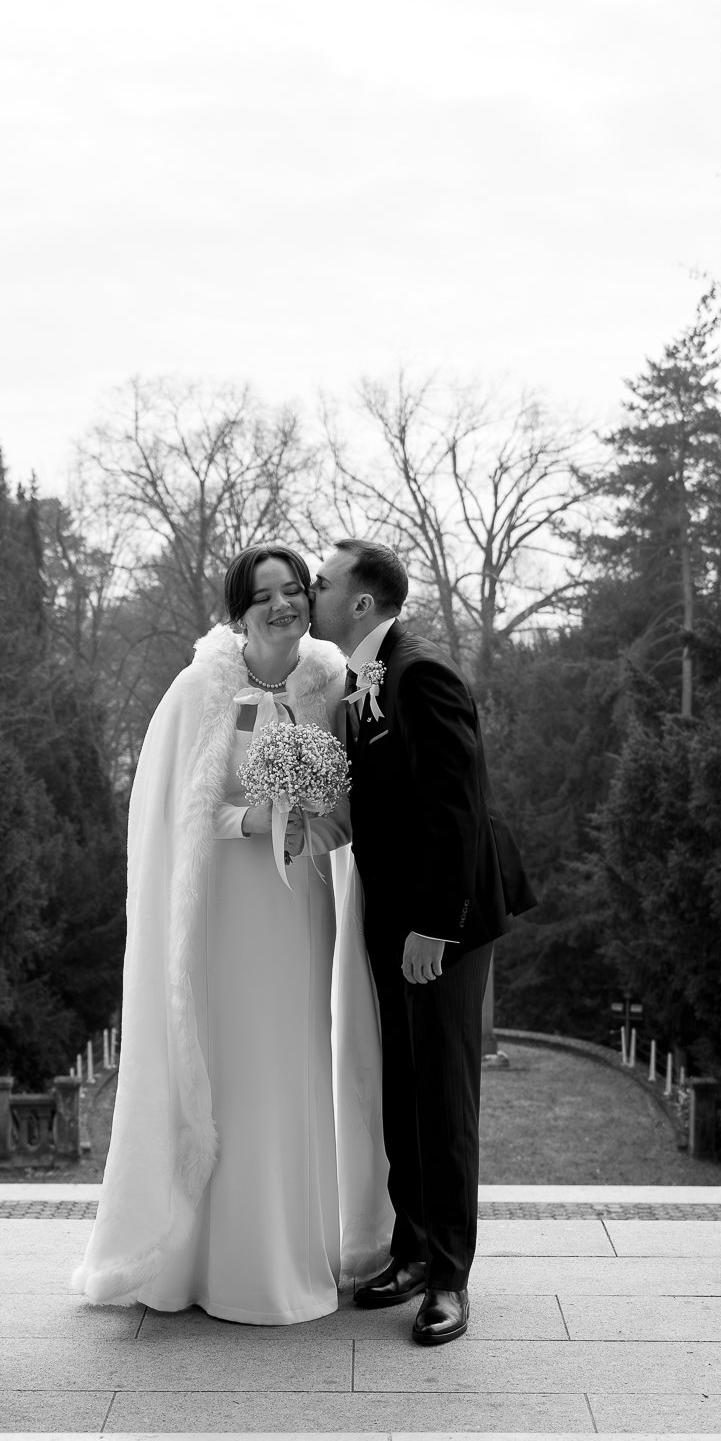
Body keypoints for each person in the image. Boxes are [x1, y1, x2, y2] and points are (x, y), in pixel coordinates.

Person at [72, 544, 391, 1324]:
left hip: (300, 911)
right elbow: (177, 811)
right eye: (264, 597)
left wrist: (309, 829)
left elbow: (352, 812)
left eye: (293, 591)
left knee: (293, 1067)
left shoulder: (333, 684)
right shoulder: (200, 690)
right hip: (226, 914)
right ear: (238, 612)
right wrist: (252, 818)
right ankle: (205, 1261)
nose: (283, 606)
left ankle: (288, 1254)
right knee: (234, 1068)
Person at [310, 539, 534, 1346]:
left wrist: (435, 926)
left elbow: (457, 806)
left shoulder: (418, 672)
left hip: (444, 921)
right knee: (403, 1085)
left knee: (442, 1096)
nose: (311, 590)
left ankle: (449, 1276)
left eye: (323, 582)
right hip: (391, 917)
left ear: (362, 603)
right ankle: (409, 1249)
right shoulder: (363, 678)